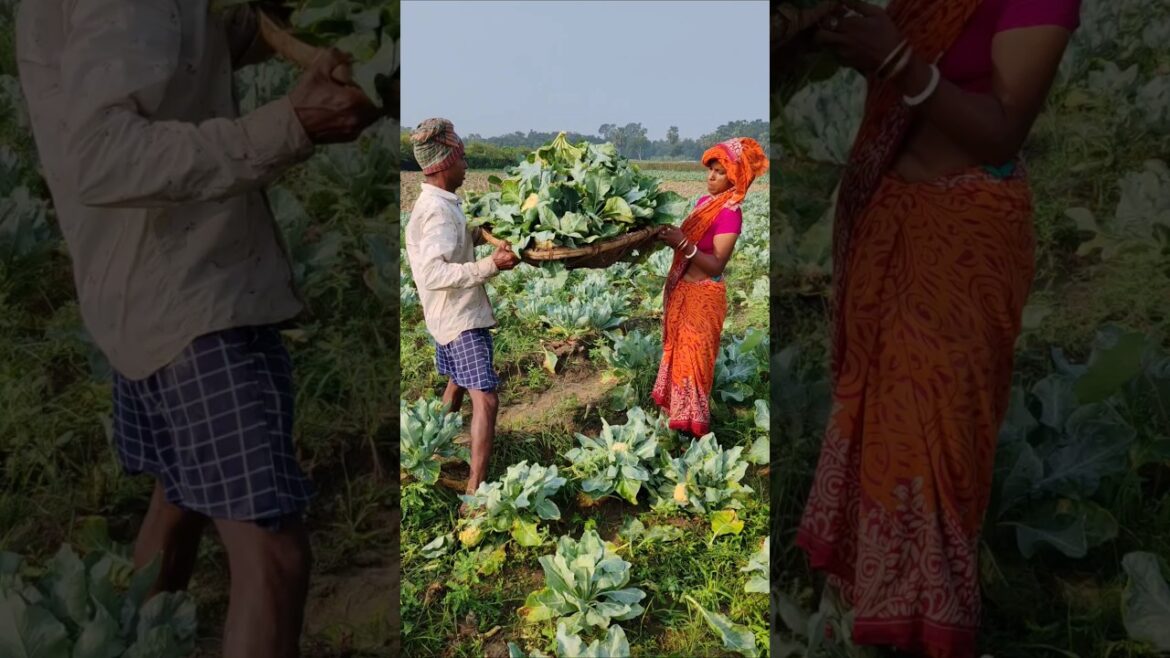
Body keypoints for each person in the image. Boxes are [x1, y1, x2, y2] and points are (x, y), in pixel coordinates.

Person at [15, 2, 380, 657]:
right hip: (191, 298)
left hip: (141, 287)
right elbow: (105, 156)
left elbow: (172, 51)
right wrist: (290, 124)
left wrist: (301, 24)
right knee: (272, 554)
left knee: (178, 498)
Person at [792, 1, 1081, 656]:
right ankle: (870, 609)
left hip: (964, 234)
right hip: (892, 216)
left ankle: (929, 625)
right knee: (874, 417)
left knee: (943, 438)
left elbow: (1003, 129)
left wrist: (895, 58)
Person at [403, 118, 520, 514]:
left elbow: (449, 250)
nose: (467, 165)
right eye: (463, 157)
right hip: (459, 317)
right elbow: (433, 273)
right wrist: (490, 265)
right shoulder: (436, 212)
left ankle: (429, 447)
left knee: (456, 381)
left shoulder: (439, 205)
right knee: (484, 396)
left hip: (446, 317)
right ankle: (475, 491)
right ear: (443, 164)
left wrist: (475, 237)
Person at [652, 138, 769, 436]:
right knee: (677, 357)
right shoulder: (704, 203)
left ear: (735, 176)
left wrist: (682, 243)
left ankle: (693, 431)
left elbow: (716, 264)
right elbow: (686, 241)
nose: (711, 176)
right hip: (683, 293)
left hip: (703, 298)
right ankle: (675, 422)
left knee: (695, 364)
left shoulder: (731, 213)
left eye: (720, 171)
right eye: (710, 170)